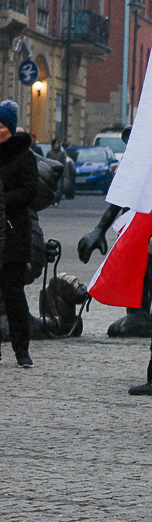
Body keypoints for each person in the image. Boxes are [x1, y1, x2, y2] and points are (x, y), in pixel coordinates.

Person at [0, 101, 37, 367]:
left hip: (13, 232)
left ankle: (21, 350)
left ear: (9, 129)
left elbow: (29, 191)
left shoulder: (24, 156)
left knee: (13, 293)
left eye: (0, 126)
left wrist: (2, 200)